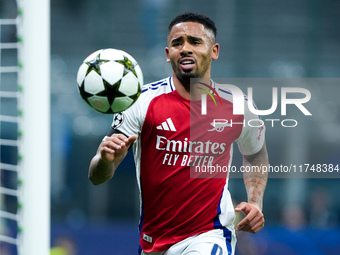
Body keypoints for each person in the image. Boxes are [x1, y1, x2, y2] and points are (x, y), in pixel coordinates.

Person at [89, 12, 268, 255]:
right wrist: (105, 160)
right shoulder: (141, 102)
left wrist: (256, 201)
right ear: (167, 54)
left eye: (195, 42)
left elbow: (256, 155)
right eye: (177, 43)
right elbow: (98, 176)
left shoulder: (239, 107)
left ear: (214, 51)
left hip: (210, 233)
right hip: (154, 241)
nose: (185, 49)